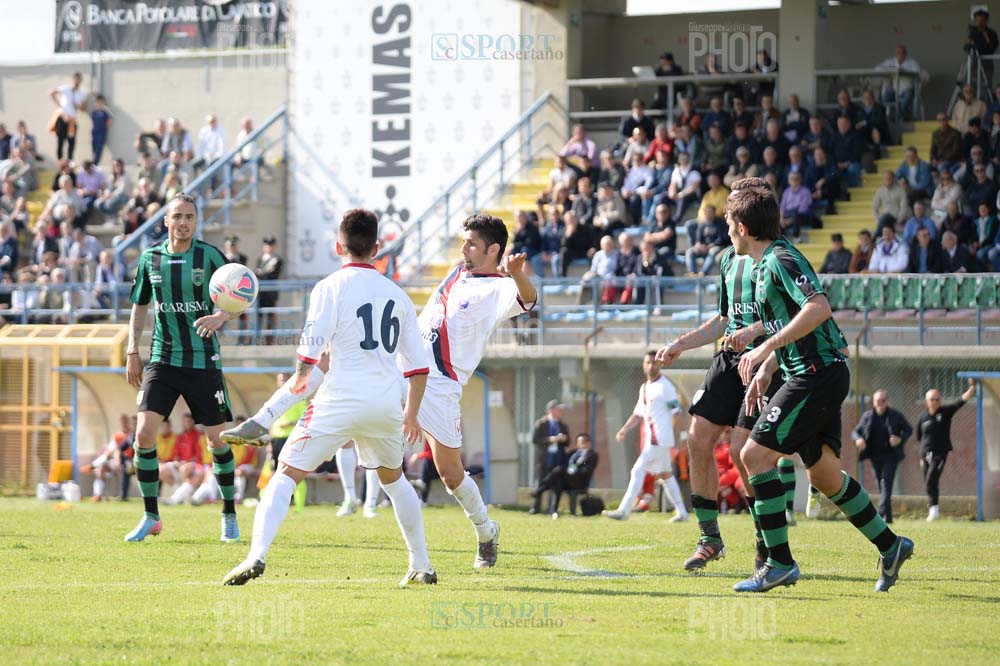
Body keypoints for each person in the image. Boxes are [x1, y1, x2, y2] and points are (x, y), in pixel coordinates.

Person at [224, 208, 435, 587]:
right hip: (387, 403)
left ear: (339, 246)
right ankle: (421, 564)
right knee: (395, 480)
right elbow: (419, 368)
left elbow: (309, 354)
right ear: (377, 247)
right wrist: (411, 415)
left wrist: (289, 393)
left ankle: (256, 555)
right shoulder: (398, 295)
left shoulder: (329, 287)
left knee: (285, 474)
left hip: (340, 398)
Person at [732, 186, 913, 594]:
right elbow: (789, 323)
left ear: (742, 228)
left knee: (753, 455)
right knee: (825, 476)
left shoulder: (781, 258)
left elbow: (818, 307)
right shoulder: (764, 266)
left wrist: (765, 347)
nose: (728, 235)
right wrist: (766, 368)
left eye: (729, 227)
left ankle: (779, 563)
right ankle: (891, 545)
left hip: (817, 374)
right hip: (809, 371)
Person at [656, 177, 781, 572]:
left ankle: (766, 540)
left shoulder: (776, 256)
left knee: (745, 451)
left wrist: (755, 333)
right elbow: (725, 320)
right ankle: (709, 538)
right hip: (728, 361)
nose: (727, 215)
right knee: (697, 440)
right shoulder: (728, 259)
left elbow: (786, 318)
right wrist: (681, 343)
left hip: (763, 362)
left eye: (732, 207)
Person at [122, 193, 239, 541]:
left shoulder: (210, 256)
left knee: (218, 442)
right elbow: (139, 306)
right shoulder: (150, 259)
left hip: (203, 361)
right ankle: (150, 516)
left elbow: (240, 295)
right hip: (163, 357)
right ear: (166, 222)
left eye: (190, 216)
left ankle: (229, 515)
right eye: (178, 216)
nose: (184, 222)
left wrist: (221, 316)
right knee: (143, 434)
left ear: (196, 221)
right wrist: (132, 350)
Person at [605, 351, 687, 522]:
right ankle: (682, 512)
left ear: (660, 365)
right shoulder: (645, 387)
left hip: (659, 439)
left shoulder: (666, 387)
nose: (651, 366)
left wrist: (683, 437)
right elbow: (637, 414)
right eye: (648, 362)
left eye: (654, 363)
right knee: (666, 474)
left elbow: (678, 413)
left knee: (637, 470)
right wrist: (624, 429)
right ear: (644, 365)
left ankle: (624, 510)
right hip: (654, 439)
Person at [917, 380, 977, 522]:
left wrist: (972, 389)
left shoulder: (945, 412)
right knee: (930, 482)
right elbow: (919, 436)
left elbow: (960, 402)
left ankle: (934, 510)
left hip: (940, 453)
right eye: (932, 399)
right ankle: (934, 510)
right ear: (927, 401)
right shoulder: (922, 418)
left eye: (937, 399)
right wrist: (923, 453)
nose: (935, 401)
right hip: (925, 454)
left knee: (931, 480)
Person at [852, 390, 913, 524]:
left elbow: (909, 429)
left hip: (891, 456)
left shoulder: (895, 415)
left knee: (885, 482)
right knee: (882, 484)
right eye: (877, 401)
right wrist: (858, 440)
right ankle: (888, 516)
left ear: (887, 402)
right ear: (873, 402)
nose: (880, 403)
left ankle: (879, 514)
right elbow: (855, 432)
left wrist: (900, 439)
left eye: (883, 401)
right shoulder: (867, 416)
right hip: (874, 456)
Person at [530, 399, 570, 515]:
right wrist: (550, 439)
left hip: (558, 457)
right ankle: (536, 508)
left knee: (556, 483)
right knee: (541, 481)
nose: (561, 411)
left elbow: (568, 442)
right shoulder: (541, 423)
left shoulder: (563, 425)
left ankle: (553, 508)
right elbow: (535, 440)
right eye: (558, 409)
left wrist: (564, 439)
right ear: (551, 410)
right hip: (545, 458)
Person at [874, 45, 922, 119]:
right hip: (894, 89)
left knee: (905, 102)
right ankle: (902, 115)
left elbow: (918, 71)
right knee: (885, 97)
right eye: (898, 53)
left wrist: (904, 70)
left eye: (902, 53)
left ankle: (900, 117)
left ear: (905, 54)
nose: (900, 54)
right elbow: (877, 69)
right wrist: (891, 70)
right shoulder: (891, 61)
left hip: (906, 89)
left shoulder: (911, 62)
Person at [49, 72, 87, 161]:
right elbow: (52, 93)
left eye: (79, 79)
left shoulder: (82, 93)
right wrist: (60, 108)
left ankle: (70, 161)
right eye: (75, 79)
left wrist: (77, 105)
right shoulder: (66, 88)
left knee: (71, 142)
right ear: (72, 79)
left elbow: (83, 108)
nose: (77, 81)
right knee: (60, 141)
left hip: (72, 120)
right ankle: (60, 162)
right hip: (63, 118)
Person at [254, 235, 282, 342]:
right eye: (267, 244)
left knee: (271, 317)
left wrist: (261, 273)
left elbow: (272, 274)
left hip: (271, 293)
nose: (268, 247)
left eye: (271, 245)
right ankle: (257, 339)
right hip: (260, 292)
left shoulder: (277, 260)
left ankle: (269, 340)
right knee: (258, 316)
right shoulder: (260, 259)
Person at [967, 8, 999, 86]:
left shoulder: (992, 33)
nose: (979, 22)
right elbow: (966, 47)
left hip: (987, 65)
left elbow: (992, 48)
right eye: (977, 20)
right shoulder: (973, 32)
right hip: (974, 64)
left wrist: (986, 37)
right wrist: (982, 46)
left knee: (986, 85)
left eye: (982, 20)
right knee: (972, 85)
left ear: (986, 20)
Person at [90, 94, 112, 164]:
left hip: (101, 133)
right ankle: (93, 162)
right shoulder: (94, 112)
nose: (99, 104)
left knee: (99, 148)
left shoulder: (105, 113)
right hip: (94, 132)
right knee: (94, 148)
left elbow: (109, 122)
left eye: (101, 102)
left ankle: (95, 163)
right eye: (98, 102)